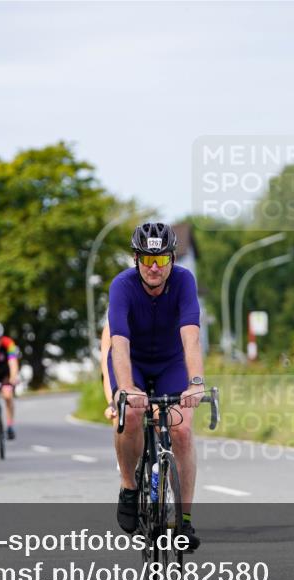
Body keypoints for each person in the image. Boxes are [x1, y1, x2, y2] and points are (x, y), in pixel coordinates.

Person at [108, 221, 205, 550]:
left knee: (182, 431)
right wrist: (125, 388)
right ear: (135, 259)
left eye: (161, 260)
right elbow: (118, 343)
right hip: (131, 362)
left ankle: (185, 521)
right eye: (146, 260)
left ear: (172, 260)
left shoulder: (184, 282)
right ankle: (128, 485)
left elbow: (191, 338)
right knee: (131, 416)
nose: (153, 267)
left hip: (170, 364)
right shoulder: (122, 286)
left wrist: (196, 383)